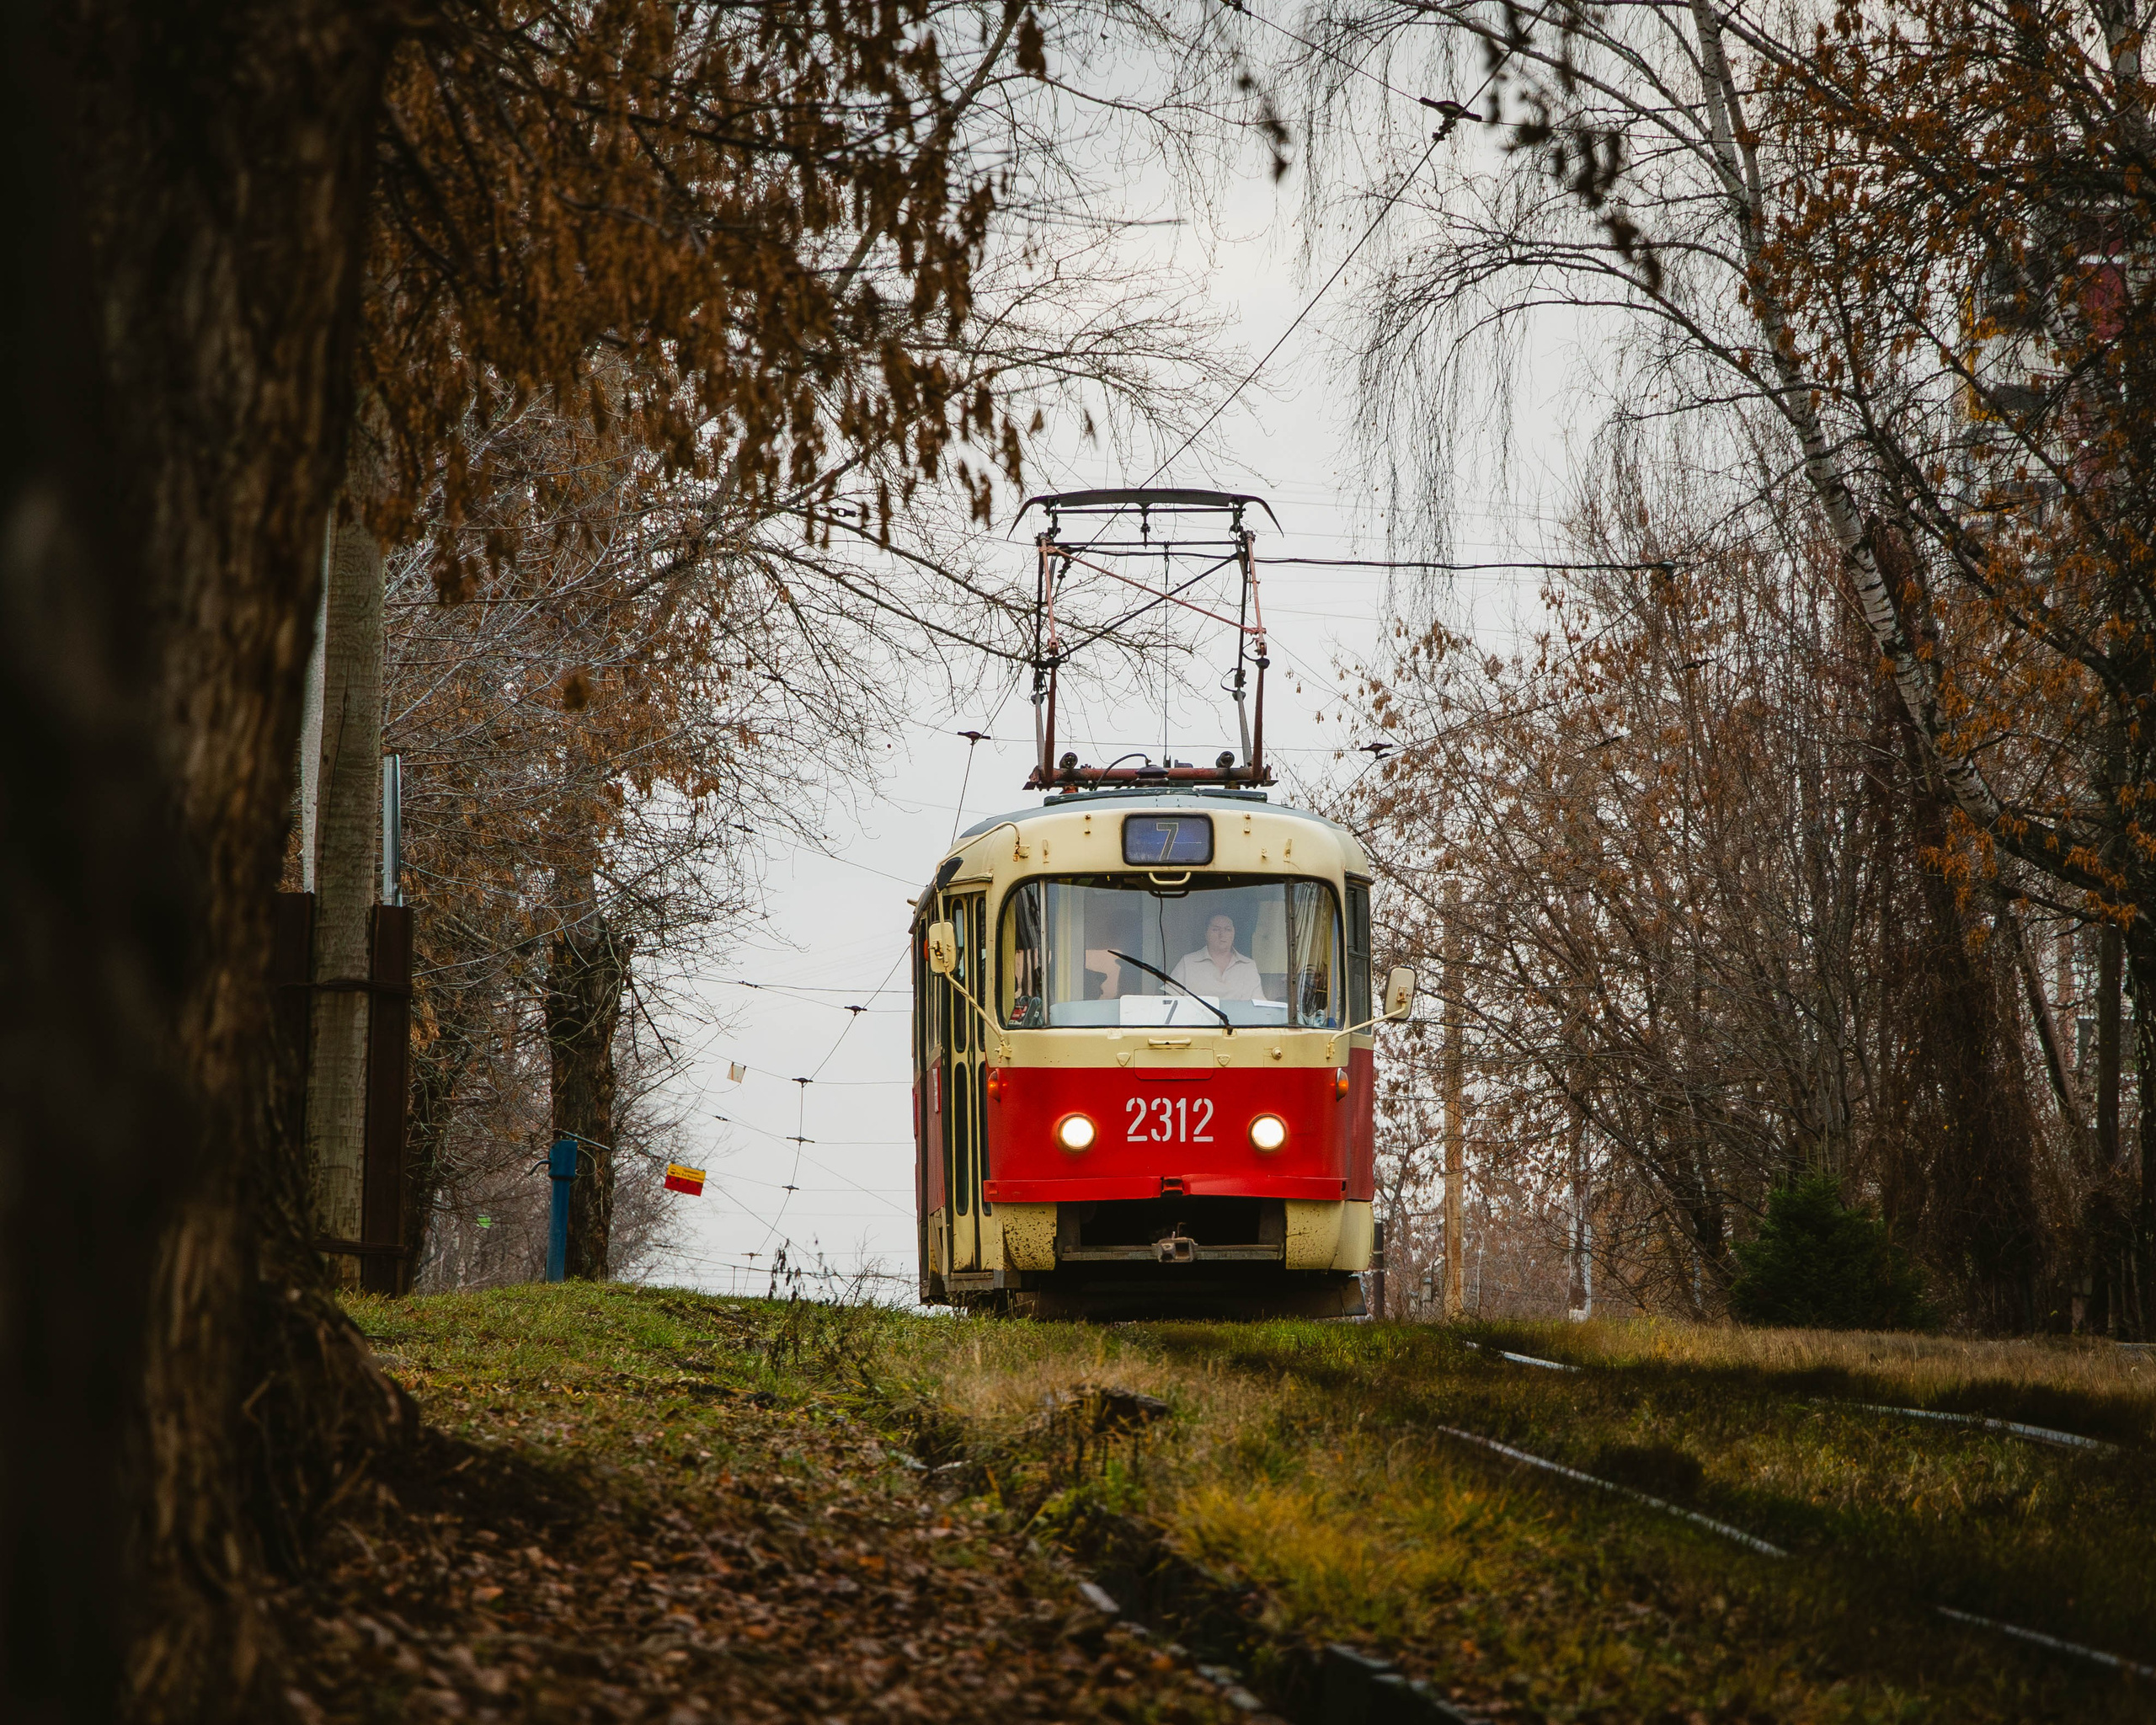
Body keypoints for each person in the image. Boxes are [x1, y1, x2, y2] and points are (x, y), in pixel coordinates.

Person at [1171, 912, 1263, 1001]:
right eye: (1215, 929)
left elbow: (1259, 1006)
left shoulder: (1248, 966)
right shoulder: (1188, 962)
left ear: (1234, 933)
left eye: (1228, 929)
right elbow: (1170, 1002)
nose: (1222, 935)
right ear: (1206, 933)